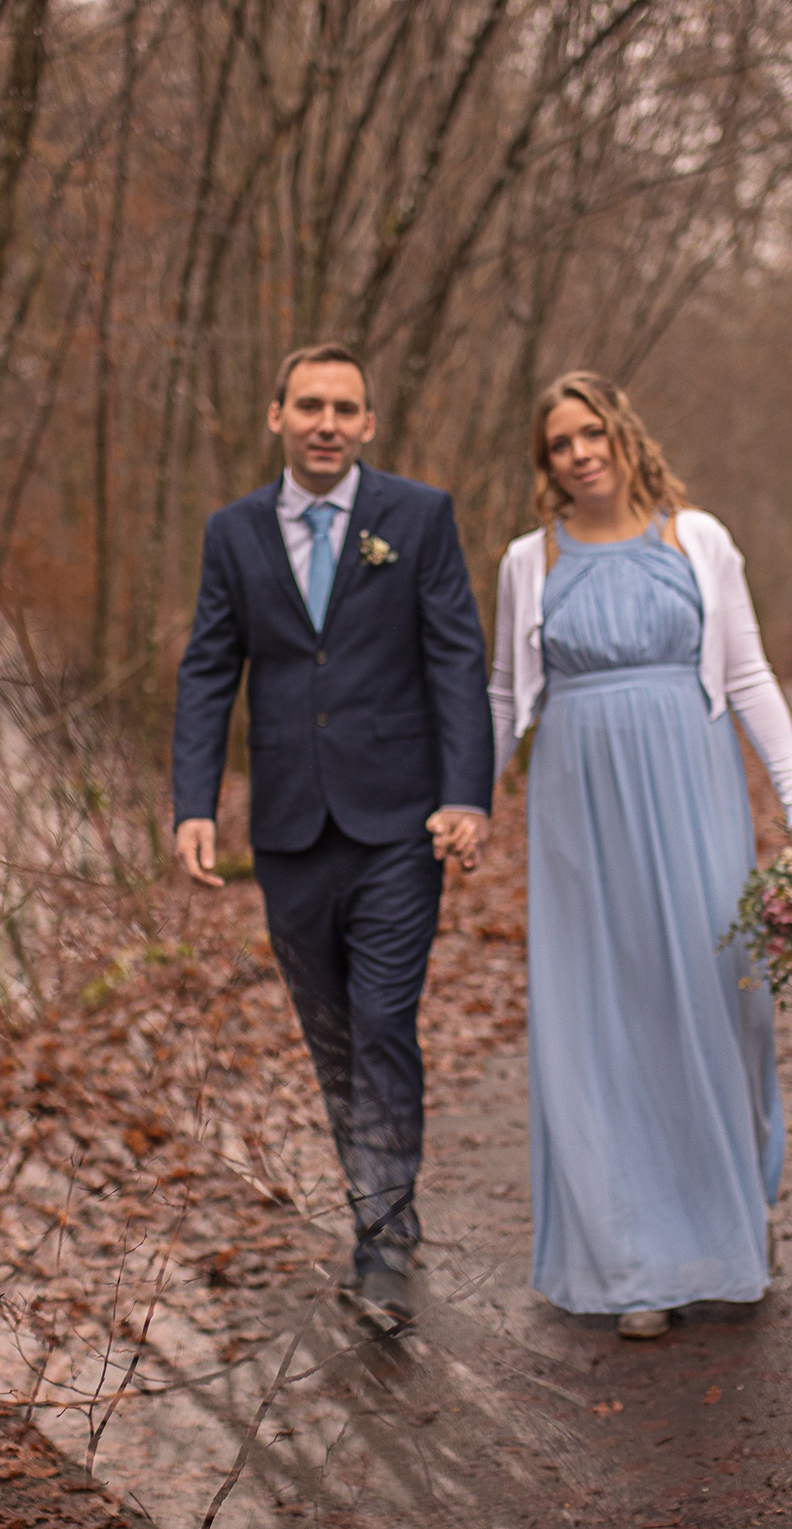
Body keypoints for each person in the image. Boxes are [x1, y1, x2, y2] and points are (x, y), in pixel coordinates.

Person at [171, 342, 495, 1337]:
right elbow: (207, 667)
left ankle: (383, 1241)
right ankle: (382, 1201)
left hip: (398, 819)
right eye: (307, 403)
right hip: (287, 830)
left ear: (366, 424)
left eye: (343, 407)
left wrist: (465, 794)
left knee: (383, 1019)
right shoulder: (232, 532)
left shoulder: (418, 517)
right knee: (332, 1040)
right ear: (275, 415)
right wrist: (192, 801)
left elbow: (454, 658)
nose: (325, 421)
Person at [487, 371, 792, 1341]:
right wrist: (468, 800)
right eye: (559, 443)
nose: (580, 452)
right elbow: (506, 697)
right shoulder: (526, 560)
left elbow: (748, 672)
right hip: (578, 802)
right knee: (607, 1013)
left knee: (724, 1001)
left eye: (592, 432)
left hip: (693, 783)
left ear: (623, 435)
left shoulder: (697, 538)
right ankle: (635, 1257)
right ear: (544, 463)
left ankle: (730, 1216)